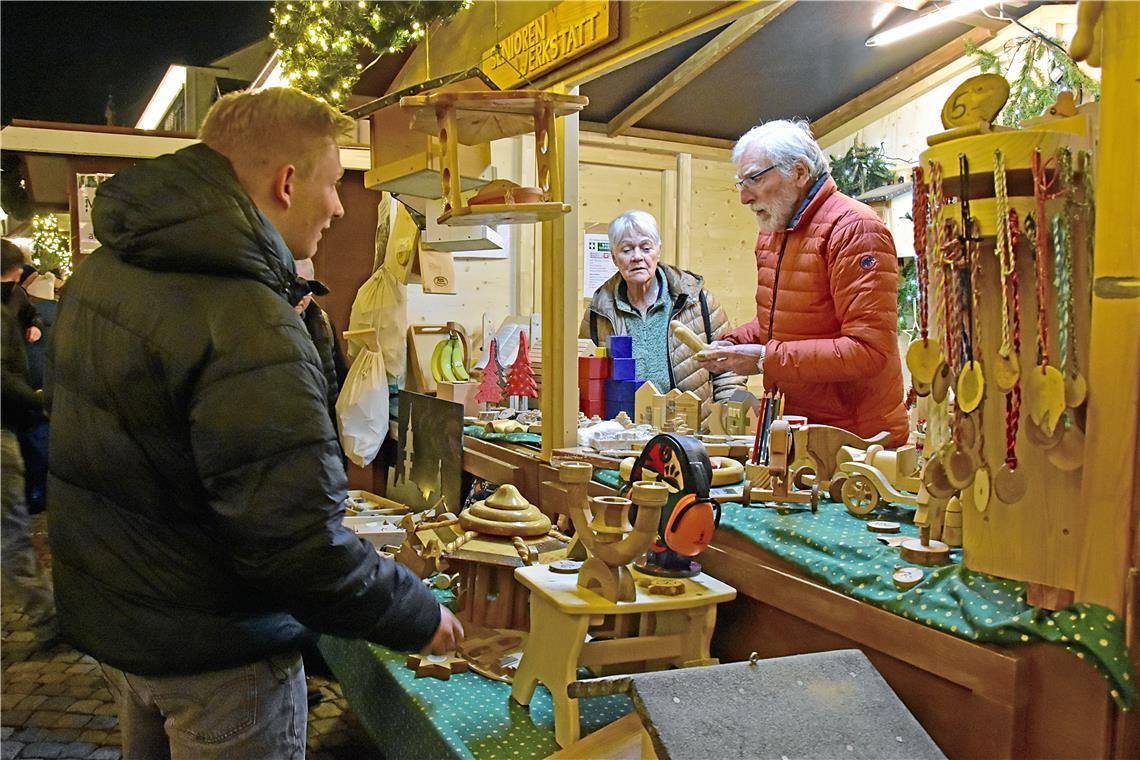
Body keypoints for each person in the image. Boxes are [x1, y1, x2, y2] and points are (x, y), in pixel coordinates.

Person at [46, 87, 463, 759]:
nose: (335, 206)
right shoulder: (246, 318)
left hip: (127, 628)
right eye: (331, 185)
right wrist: (419, 614)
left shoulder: (104, 271)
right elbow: (295, 541)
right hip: (219, 657)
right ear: (287, 182)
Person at [696, 119, 908, 446]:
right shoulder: (773, 233)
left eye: (753, 178)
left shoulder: (856, 229)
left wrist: (765, 358)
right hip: (794, 429)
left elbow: (868, 351)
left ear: (798, 172)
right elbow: (783, 324)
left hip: (854, 441)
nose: (743, 197)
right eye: (740, 182)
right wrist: (735, 343)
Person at [580, 210, 744, 422]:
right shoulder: (598, 312)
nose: (637, 257)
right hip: (622, 436)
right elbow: (585, 378)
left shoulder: (698, 302)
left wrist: (725, 427)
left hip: (690, 434)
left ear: (658, 251)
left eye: (646, 247)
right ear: (614, 257)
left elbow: (728, 372)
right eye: (626, 249)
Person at [0, 239, 57, 644]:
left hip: (10, 423)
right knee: (11, 530)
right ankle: (47, 615)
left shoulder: (13, 300)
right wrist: (38, 404)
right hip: (7, 423)